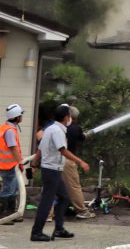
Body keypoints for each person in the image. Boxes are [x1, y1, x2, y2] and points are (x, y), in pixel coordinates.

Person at [30, 104, 89, 242]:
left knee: (64, 198)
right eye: (69, 115)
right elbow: (62, 150)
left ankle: (59, 229)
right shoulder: (57, 131)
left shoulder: (50, 129)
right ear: (65, 117)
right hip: (52, 170)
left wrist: (33, 165)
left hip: (52, 170)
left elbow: (40, 150)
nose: (71, 118)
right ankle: (36, 232)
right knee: (47, 201)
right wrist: (81, 161)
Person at [62, 106, 94, 220]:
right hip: (68, 161)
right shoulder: (75, 128)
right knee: (74, 186)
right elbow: (82, 137)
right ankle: (81, 210)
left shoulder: (58, 127)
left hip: (53, 161)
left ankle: (51, 213)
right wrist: (87, 134)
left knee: (54, 187)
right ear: (73, 117)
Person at [0, 104, 27, 224]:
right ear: (16, 117)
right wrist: (20, 163)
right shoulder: (9, 131)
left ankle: (12, 214)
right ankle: (5, 216)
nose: (21, 117)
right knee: (8, 190)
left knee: (13, 188)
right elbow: (13, 149)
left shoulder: (6, 127)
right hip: (8, 166)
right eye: (20, 115)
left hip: (8, 165)